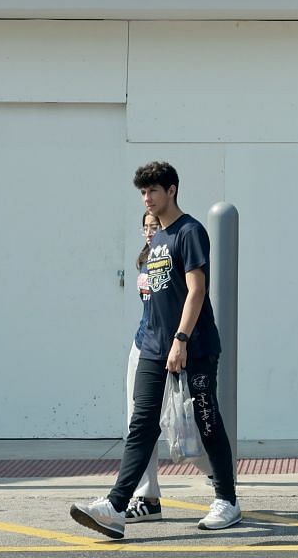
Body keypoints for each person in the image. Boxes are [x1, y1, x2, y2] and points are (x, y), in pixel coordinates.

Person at [71, 162, 239, 540]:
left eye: (153, 192)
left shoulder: (190, 232)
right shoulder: (158, 238)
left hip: (192, 347)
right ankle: (116, 507)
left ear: (172, 190)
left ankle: (227, 500)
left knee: (206, 422)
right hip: (153, 348)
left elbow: (197, 291)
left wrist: (181, 339)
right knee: (142, 425)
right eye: (143, 193)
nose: (147, 199)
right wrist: (153, 340)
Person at [123, 210, 164, 520]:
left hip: (169, 350)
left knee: (188, 426)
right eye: (145, 227)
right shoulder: (145, 259)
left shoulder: (171, 255)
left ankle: (220, 479)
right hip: (142, 345)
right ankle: (146, 497)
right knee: (137, 423)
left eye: (155, 226)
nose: (149, 232)